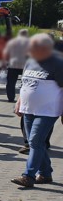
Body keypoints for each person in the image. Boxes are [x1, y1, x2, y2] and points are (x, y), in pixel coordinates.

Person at [11, 34, 63, 188]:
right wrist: (19, 102)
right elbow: (24, 84)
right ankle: (46, 174)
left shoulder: (58, 63)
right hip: (29, 109)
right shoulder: (30, 61)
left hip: (48, 111)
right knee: (37, 143)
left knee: (34, 141)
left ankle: (28, 176)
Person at [4, 29, 30, 103]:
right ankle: (23, 98)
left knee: (11, 83)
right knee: (25, 82)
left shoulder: (12, 42)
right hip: (25, 65)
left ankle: (11, 98)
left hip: (13, 65)